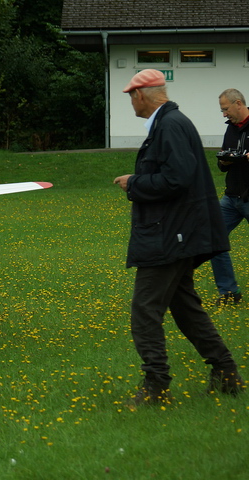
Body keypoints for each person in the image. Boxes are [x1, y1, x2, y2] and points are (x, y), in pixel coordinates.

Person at [113, 69, 244, 406]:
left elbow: (177, 178)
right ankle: (227, 375)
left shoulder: (169, 125)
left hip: (171, 236)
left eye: (131, 95)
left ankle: (156, 387)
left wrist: (135, 183)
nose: (130, 101)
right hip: (179, 232)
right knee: (185, 307)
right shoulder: (170, 123)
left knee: (144, 309)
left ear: (142, 95)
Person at [209, 88, 249, 306]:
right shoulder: (230, 129)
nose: (224, 114)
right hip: (231, 197)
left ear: (238, 104)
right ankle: (229, 293)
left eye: (225, 109)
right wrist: (224, 161)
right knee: (214, 238)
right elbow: (224, 161)